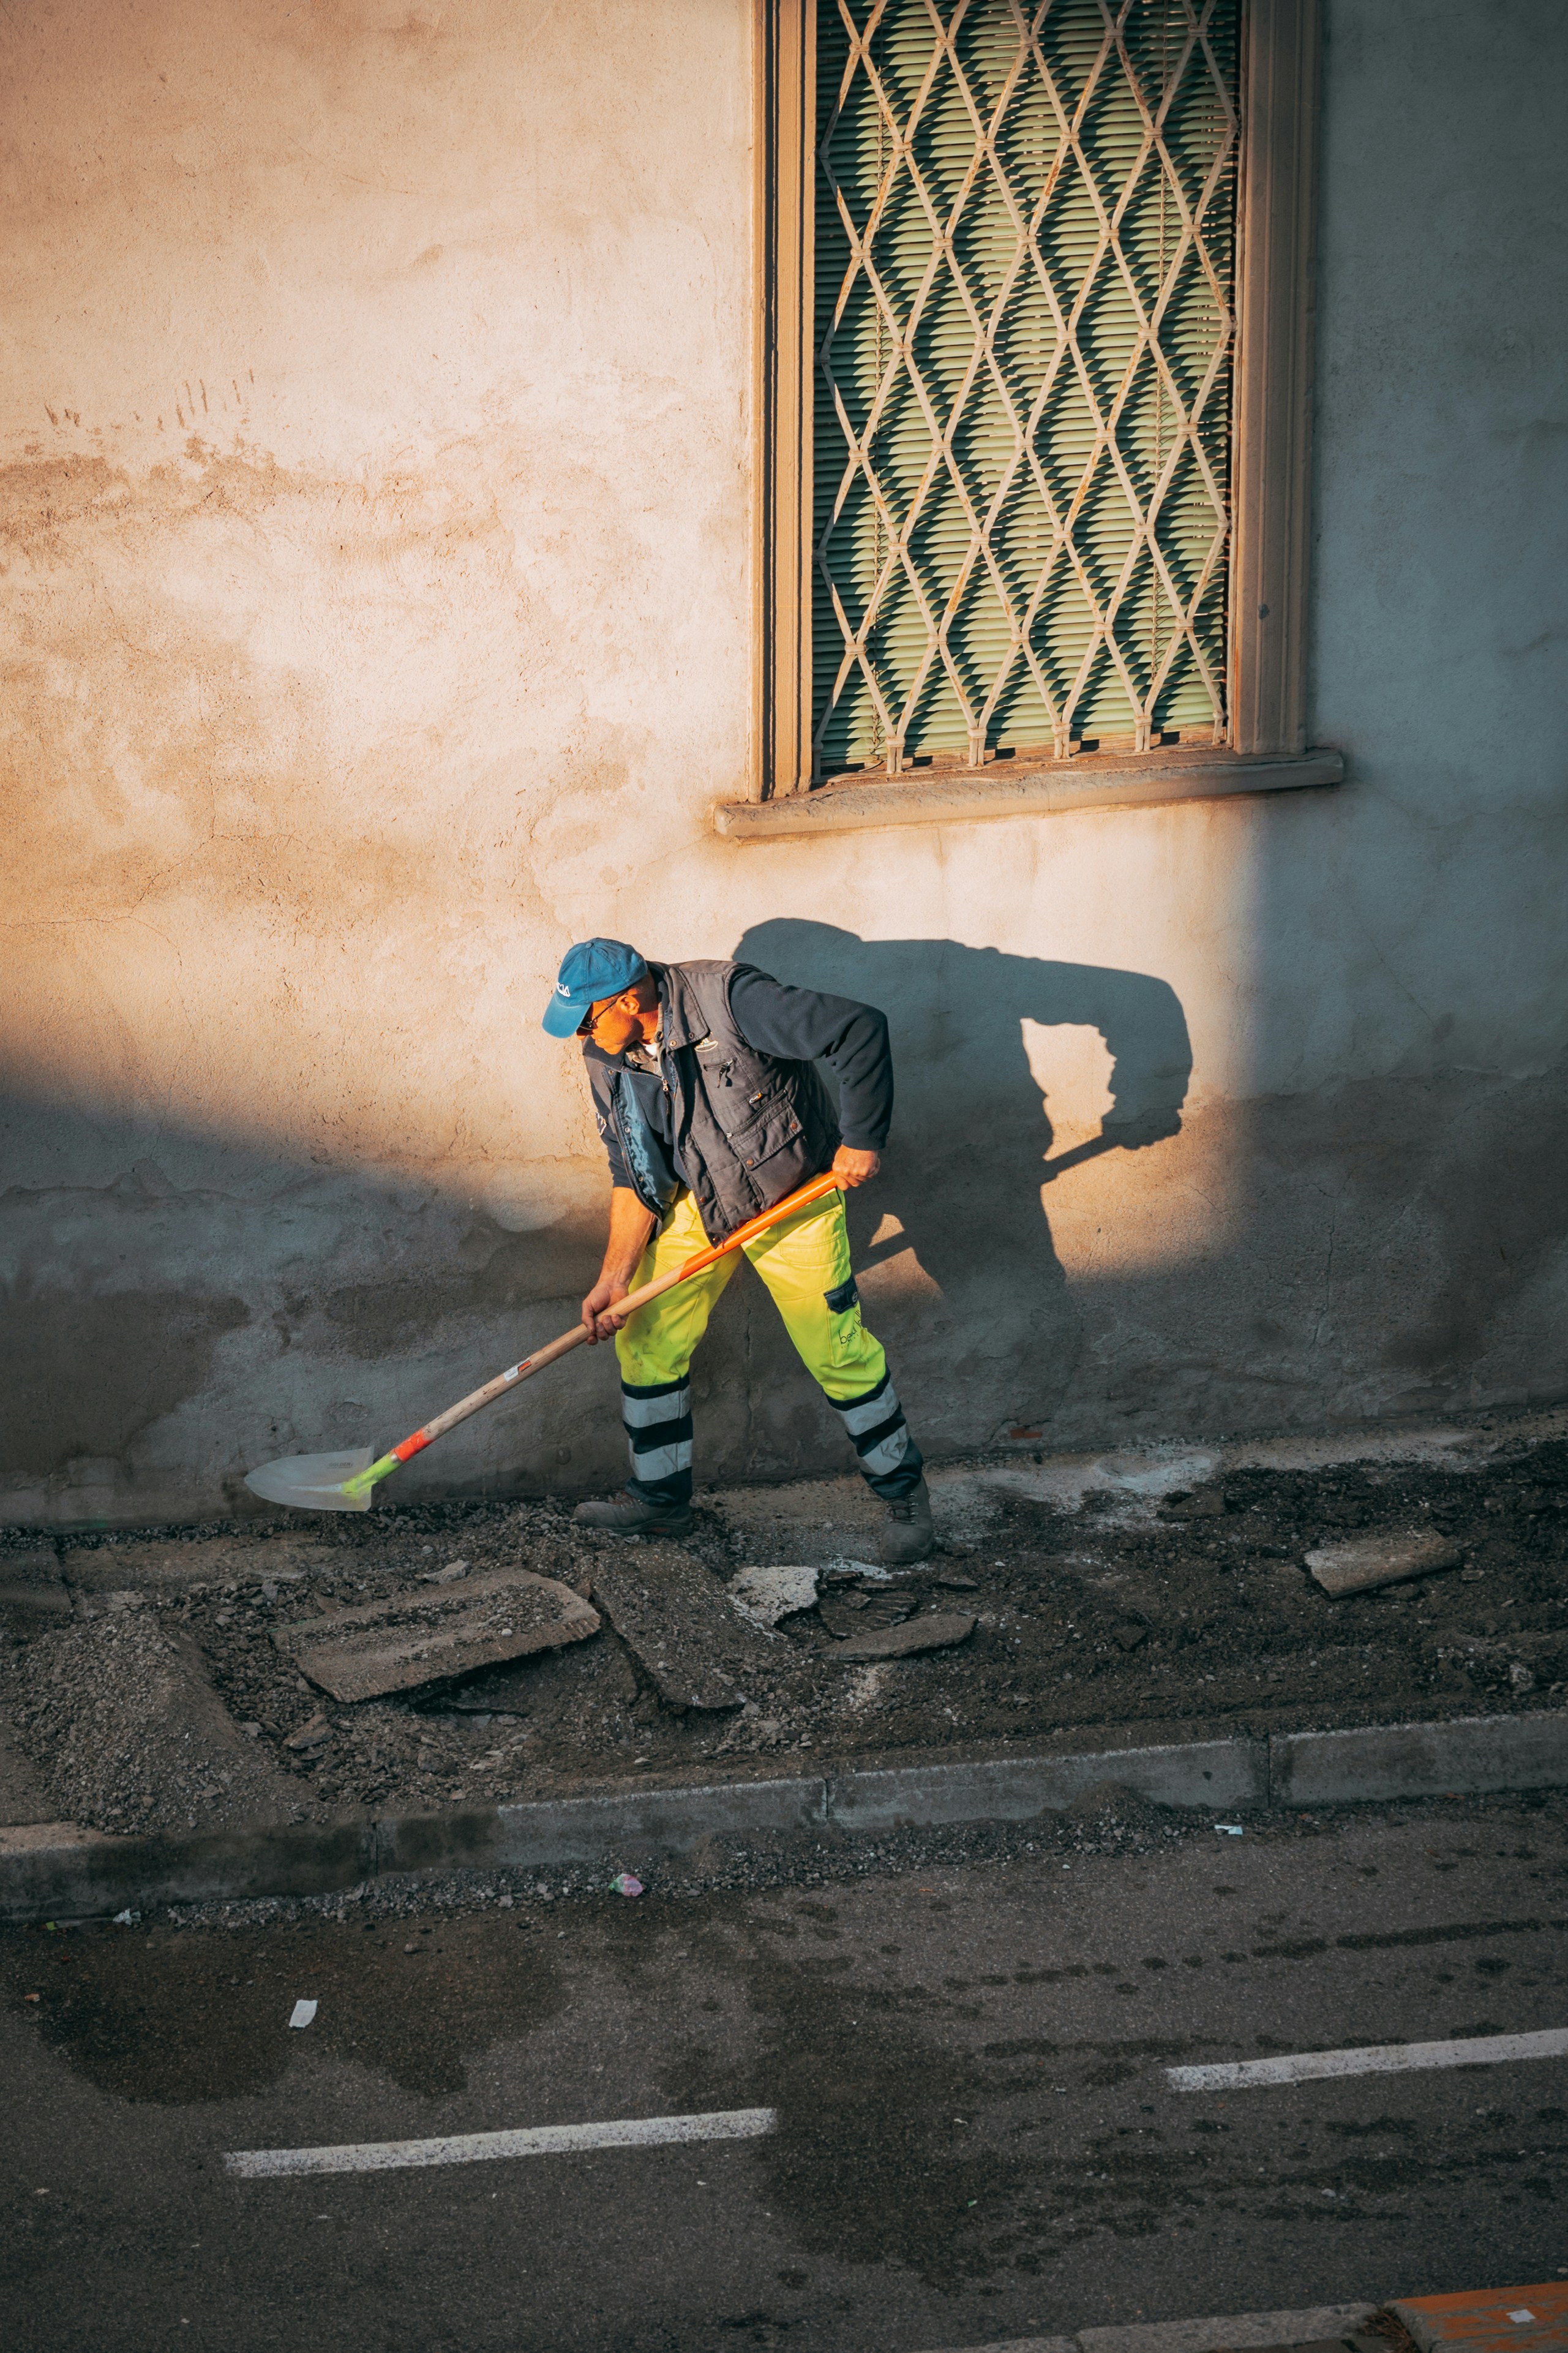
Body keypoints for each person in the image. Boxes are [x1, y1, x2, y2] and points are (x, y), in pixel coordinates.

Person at [542, 938, 932, 1563]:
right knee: (644, 1336)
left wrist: (861, 1137)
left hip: (792, 1196)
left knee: (835, 1348)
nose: (579, 1036)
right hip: (701, 1202)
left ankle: (904, 1496)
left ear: (627, 999)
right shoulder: (607, 1057)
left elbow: (858, 1028)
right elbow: (633, 1172)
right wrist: (615, 1277)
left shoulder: (730, 1001)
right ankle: (661, 1500)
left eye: (586, 1017)